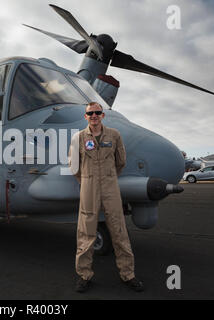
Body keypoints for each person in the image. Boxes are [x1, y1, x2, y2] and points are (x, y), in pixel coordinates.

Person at [69, 102, 144, 293]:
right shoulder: (78, 138)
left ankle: (128, 274)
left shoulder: (114, 135)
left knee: (119, 231)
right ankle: (84, 275)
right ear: (86, 117)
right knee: (86, 234)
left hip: (110, 187)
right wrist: (87, 180)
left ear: (103, 115)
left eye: (97, 112)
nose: (94, 115)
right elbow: (74, 167)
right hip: (89, 187)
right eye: (90, 113)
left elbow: (121, 162)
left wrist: (108, 178)